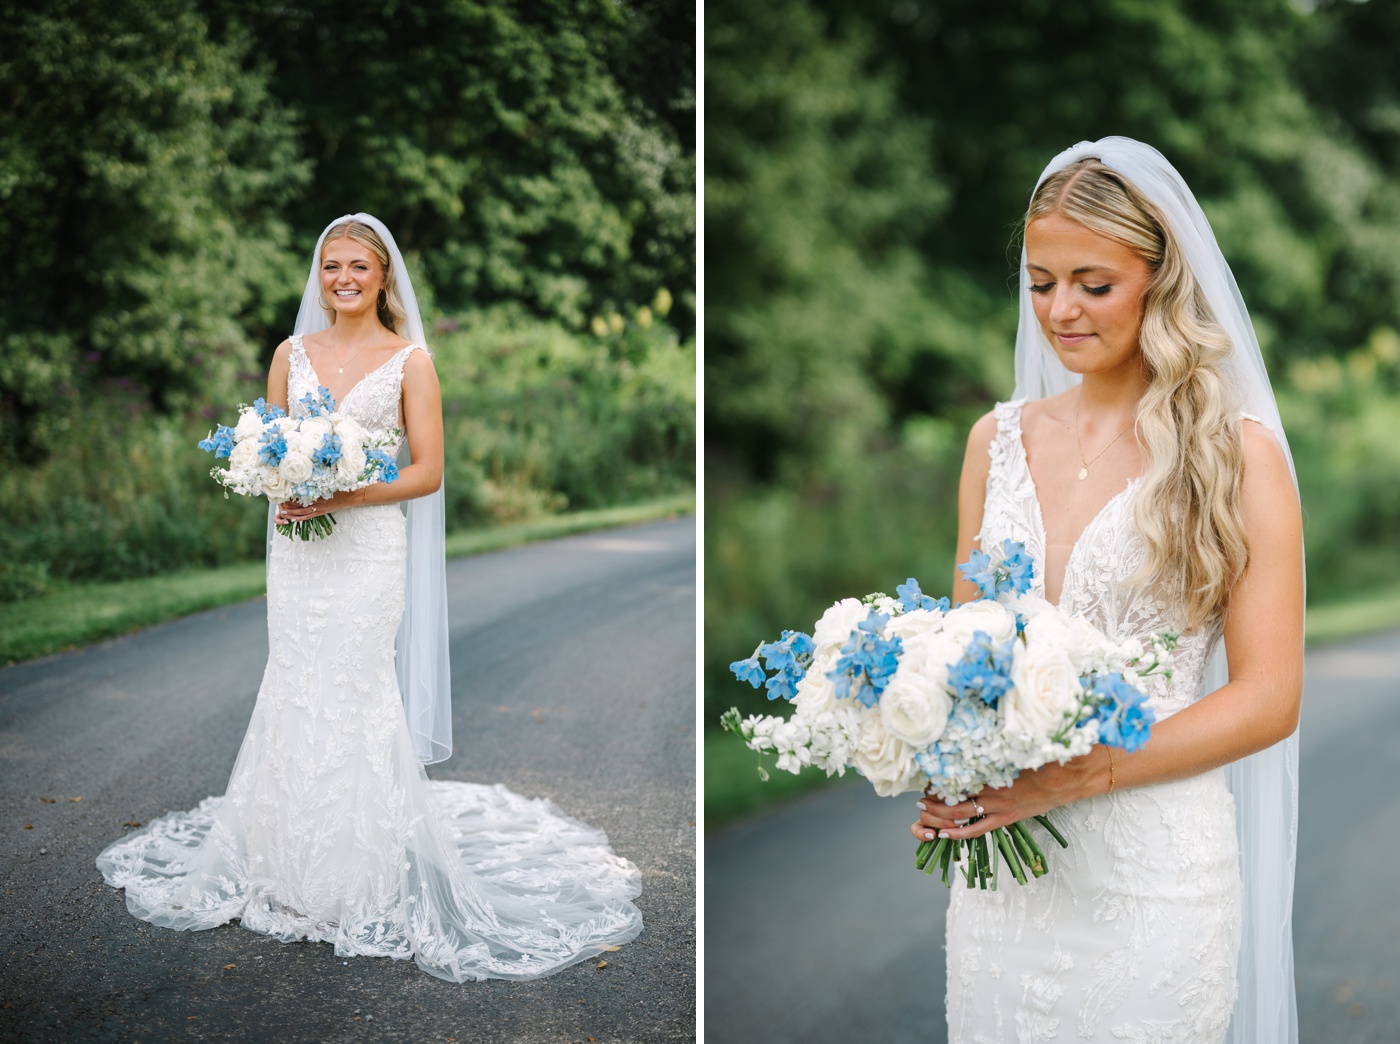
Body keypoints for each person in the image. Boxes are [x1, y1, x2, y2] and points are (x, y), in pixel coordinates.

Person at [97, 214, 643, 981]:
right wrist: (285, 484)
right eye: (330, 267)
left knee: (354, 686)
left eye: (357, 266)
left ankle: (358, 877)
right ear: (317, 276)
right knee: (294, 681)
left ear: (384, 277)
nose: (343, 279)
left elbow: (426, 473)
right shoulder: (290, 355)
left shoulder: (411, 362)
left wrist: (344, 494)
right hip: (297, 554)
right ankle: (287, 871)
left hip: (368, 548)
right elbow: (273, 451)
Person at [910, 140, 1303, 1042]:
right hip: (1005, 891)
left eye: (1094, 282)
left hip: (1154, 878)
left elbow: (1269, 697)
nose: (1060, 310)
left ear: (1159, 281)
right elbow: (969, 655)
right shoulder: (993, 441)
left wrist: (1082, 776)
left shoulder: (1235, 454)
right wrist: (947, 761)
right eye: (1042, 282)